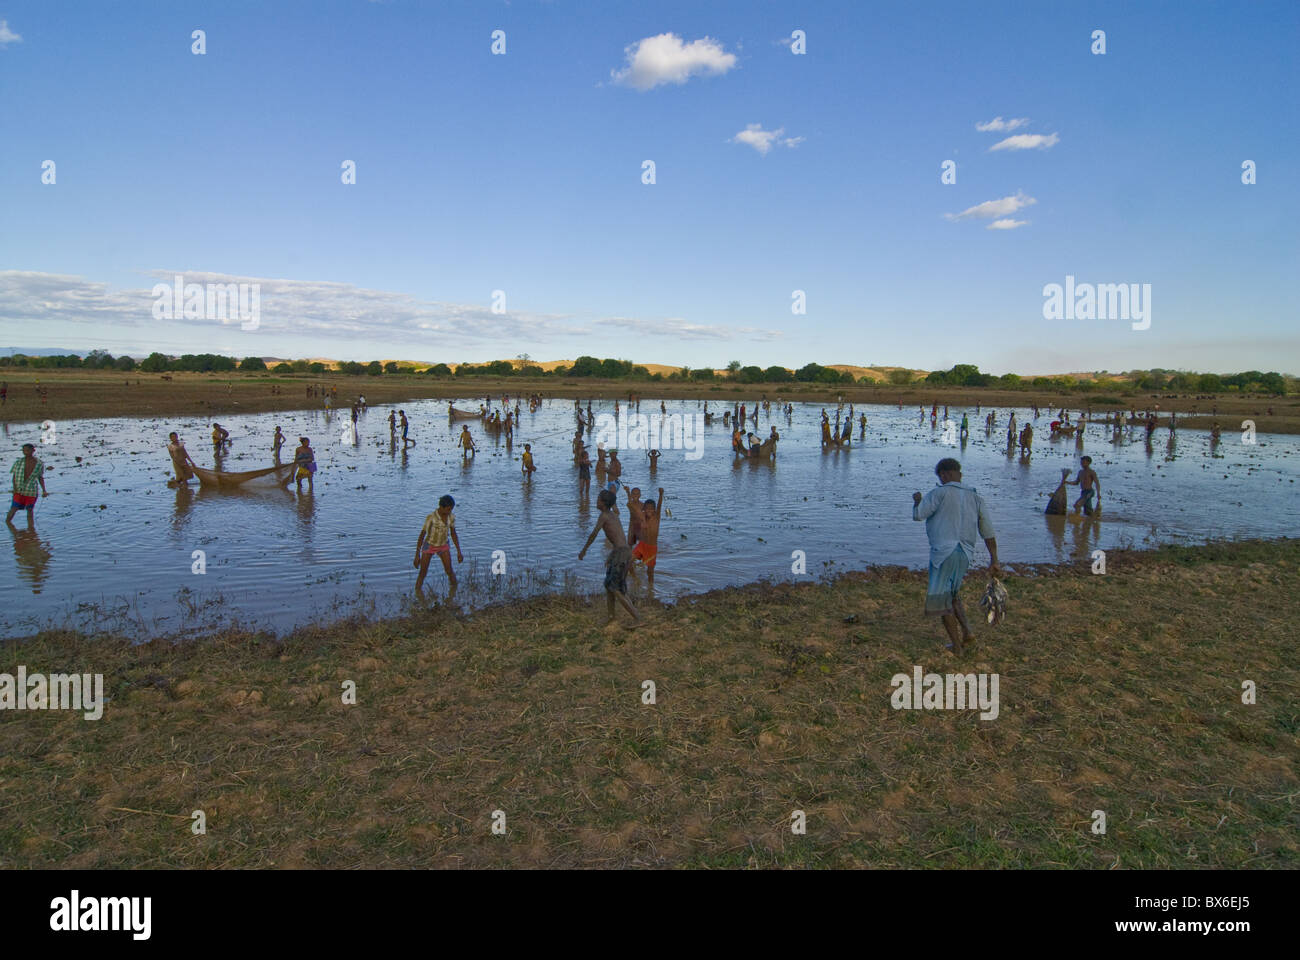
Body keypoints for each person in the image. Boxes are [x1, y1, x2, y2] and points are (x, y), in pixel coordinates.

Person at [912, 458, 1000, 656]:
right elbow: (988, 530)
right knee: (953, 596)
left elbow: (919, 515)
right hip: (965, 553)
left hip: (943, 553)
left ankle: (957, 647)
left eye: (941, 475)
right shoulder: (975, 496)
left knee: (942, 602)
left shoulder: (939, 493)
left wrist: (917, 500)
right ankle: (967, 633)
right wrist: (994, 558)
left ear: (945, 474)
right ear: (959, 474)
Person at [579, 488, 639, 626]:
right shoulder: (612, 515)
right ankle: (611, 616)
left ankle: (637, 617)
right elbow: (619, 539)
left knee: (616, 589)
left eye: (598, 499)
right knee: (609, 585)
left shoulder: (605, 516)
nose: (596, 501)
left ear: (604, 503)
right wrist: (611, 556)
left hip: (621, 554)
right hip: (621, 553)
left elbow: (593, 534)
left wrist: (584, 550)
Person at [414, 494, 463, 593]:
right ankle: (417, 593)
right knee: (423, 573)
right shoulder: (431, 518)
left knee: (449, 571)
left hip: (443, 546)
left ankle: (455, 591)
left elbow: (453, 534)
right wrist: (417, 555)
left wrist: (459, 551)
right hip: (429, 545)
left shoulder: (451, 517)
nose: (450, 512)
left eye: (451, 509)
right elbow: (422, 535)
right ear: (441, 507)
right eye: (448, 509)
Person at [8, 443, 49, 525]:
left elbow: (40, 477)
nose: (25, 452)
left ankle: (31, 528)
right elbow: (14, 477)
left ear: (33, 450)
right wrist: (14, 488)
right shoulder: (18, 462)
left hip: (31, 491)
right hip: (19, 490)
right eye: (24, 451)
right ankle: (8, 522)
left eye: (27, 450)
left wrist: (44, 490)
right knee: (14, 508)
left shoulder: (39, 463)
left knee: (30, 510)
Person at [633, 487, 666, 588]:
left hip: (651, 548)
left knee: (650, 571)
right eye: (647, 508)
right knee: (628, 560)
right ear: (644, 509)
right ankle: (634, 579)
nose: (649, 510)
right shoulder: (642, 517)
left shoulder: (656, 517)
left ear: (655, 510)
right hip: (642, 545)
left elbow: (659, 506)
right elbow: (633, 506)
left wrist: (660, 494)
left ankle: (650, 588)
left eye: (651, 508)